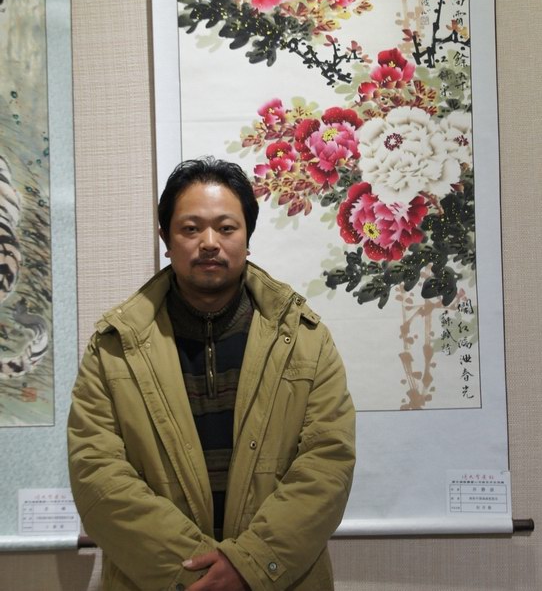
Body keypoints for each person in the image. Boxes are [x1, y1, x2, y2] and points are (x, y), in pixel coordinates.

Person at [67, 157, 355, 591]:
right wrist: (201, 577)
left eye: (225, 228)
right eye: (190, 228)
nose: (208, 243)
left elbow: (327, 465)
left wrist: (250, 565)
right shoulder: (114, 347)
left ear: (247, 237)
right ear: (166, 239)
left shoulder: (304, 339)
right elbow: (97, 475)